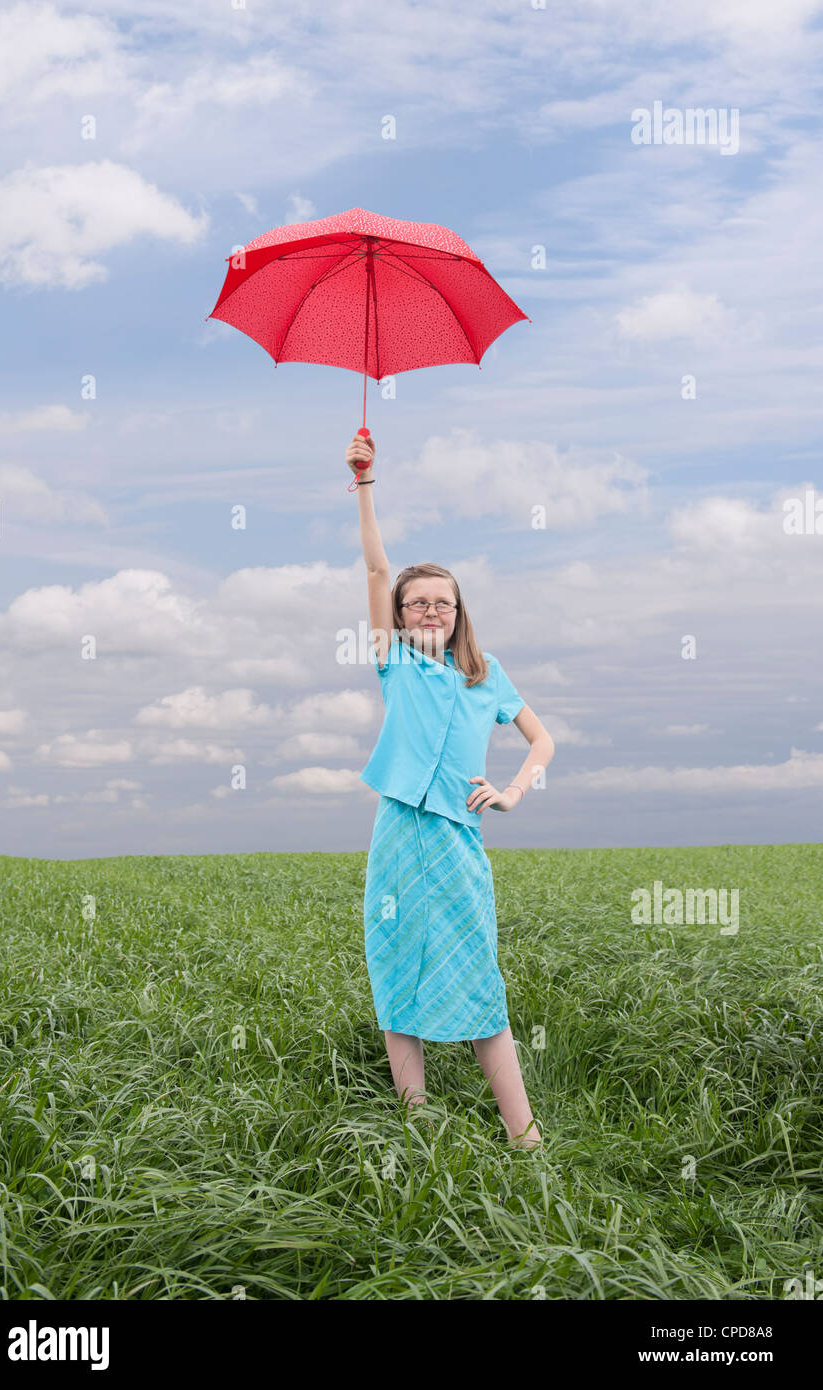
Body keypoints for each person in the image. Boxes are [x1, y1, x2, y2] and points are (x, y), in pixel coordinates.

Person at [347, 431, 555, 1148]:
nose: (429, 612)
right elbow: (376, 570)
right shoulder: (395, 665)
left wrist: (512, 792)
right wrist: (365, 482)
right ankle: (415, 1126)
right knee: (394, 963)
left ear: (458, 612)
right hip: (398, 832)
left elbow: (543, 740)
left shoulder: (485, 673)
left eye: (443, 603)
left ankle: (523, 1136)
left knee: (476, 976)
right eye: (417, 604)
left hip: (458, 837)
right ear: (401, 618)